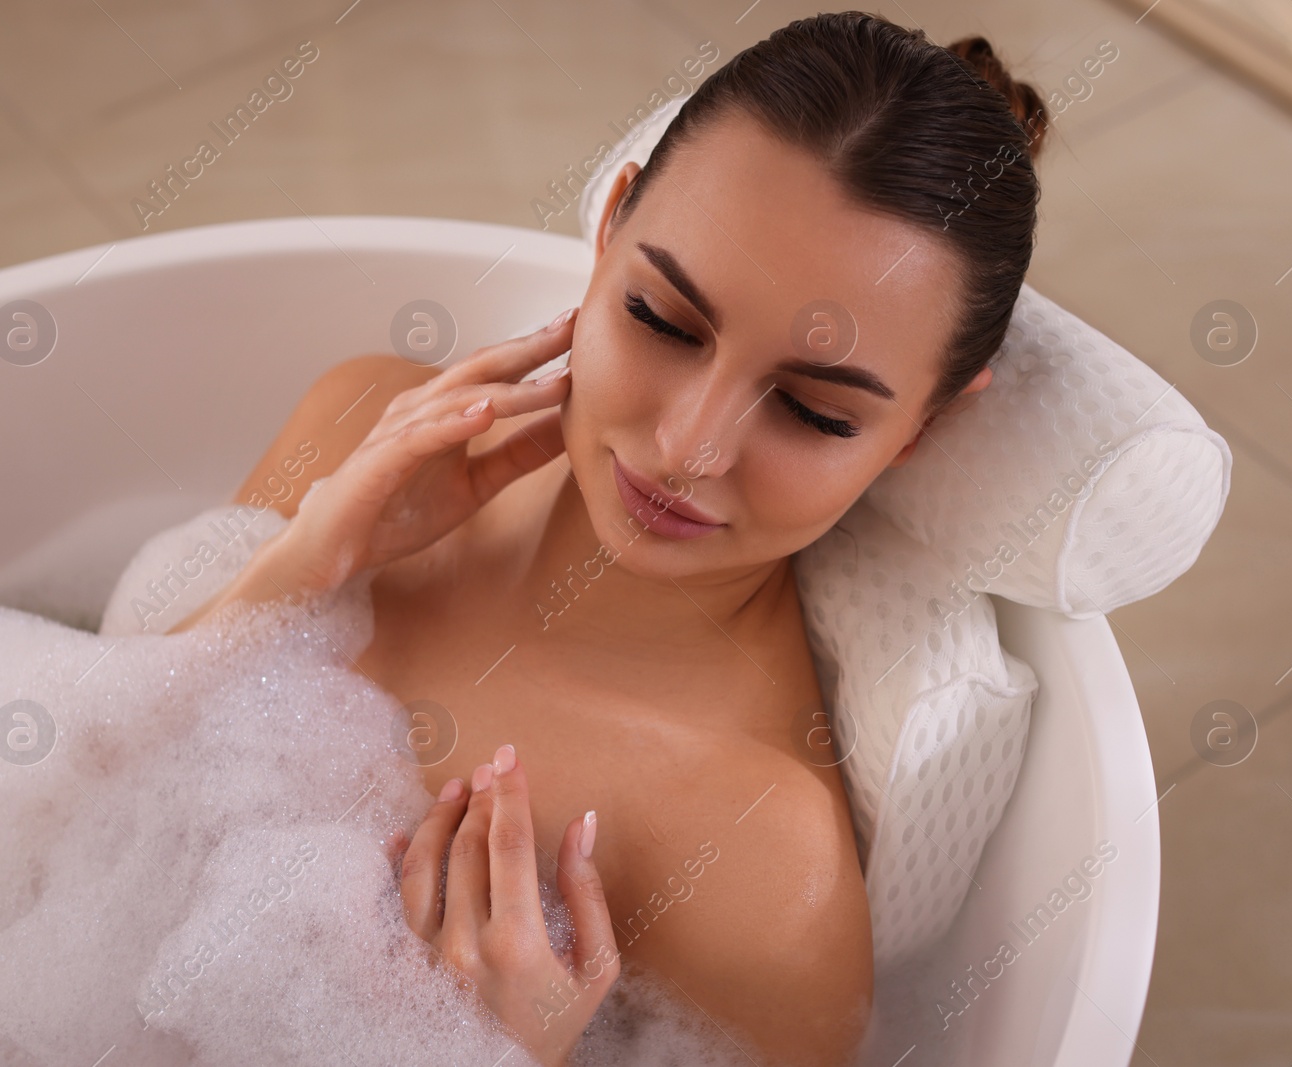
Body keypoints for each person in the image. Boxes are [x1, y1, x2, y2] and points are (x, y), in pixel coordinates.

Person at [173, 11, 1049, 1065]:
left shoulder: (759, 872)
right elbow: (63, 795)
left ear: (927, 425)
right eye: (665, 320)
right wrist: (300, 564)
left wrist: (504, 1052)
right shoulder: (364, 418)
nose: (690, 447)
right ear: (609, 231)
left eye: (815, 411)